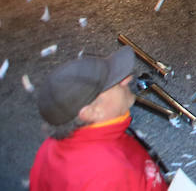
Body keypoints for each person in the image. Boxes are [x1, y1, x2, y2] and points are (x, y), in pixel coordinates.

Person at [30, 44, 167, 190]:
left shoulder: (50, 147)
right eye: (115, 82)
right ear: (92, 111)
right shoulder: (109, 175)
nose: (127, 79)